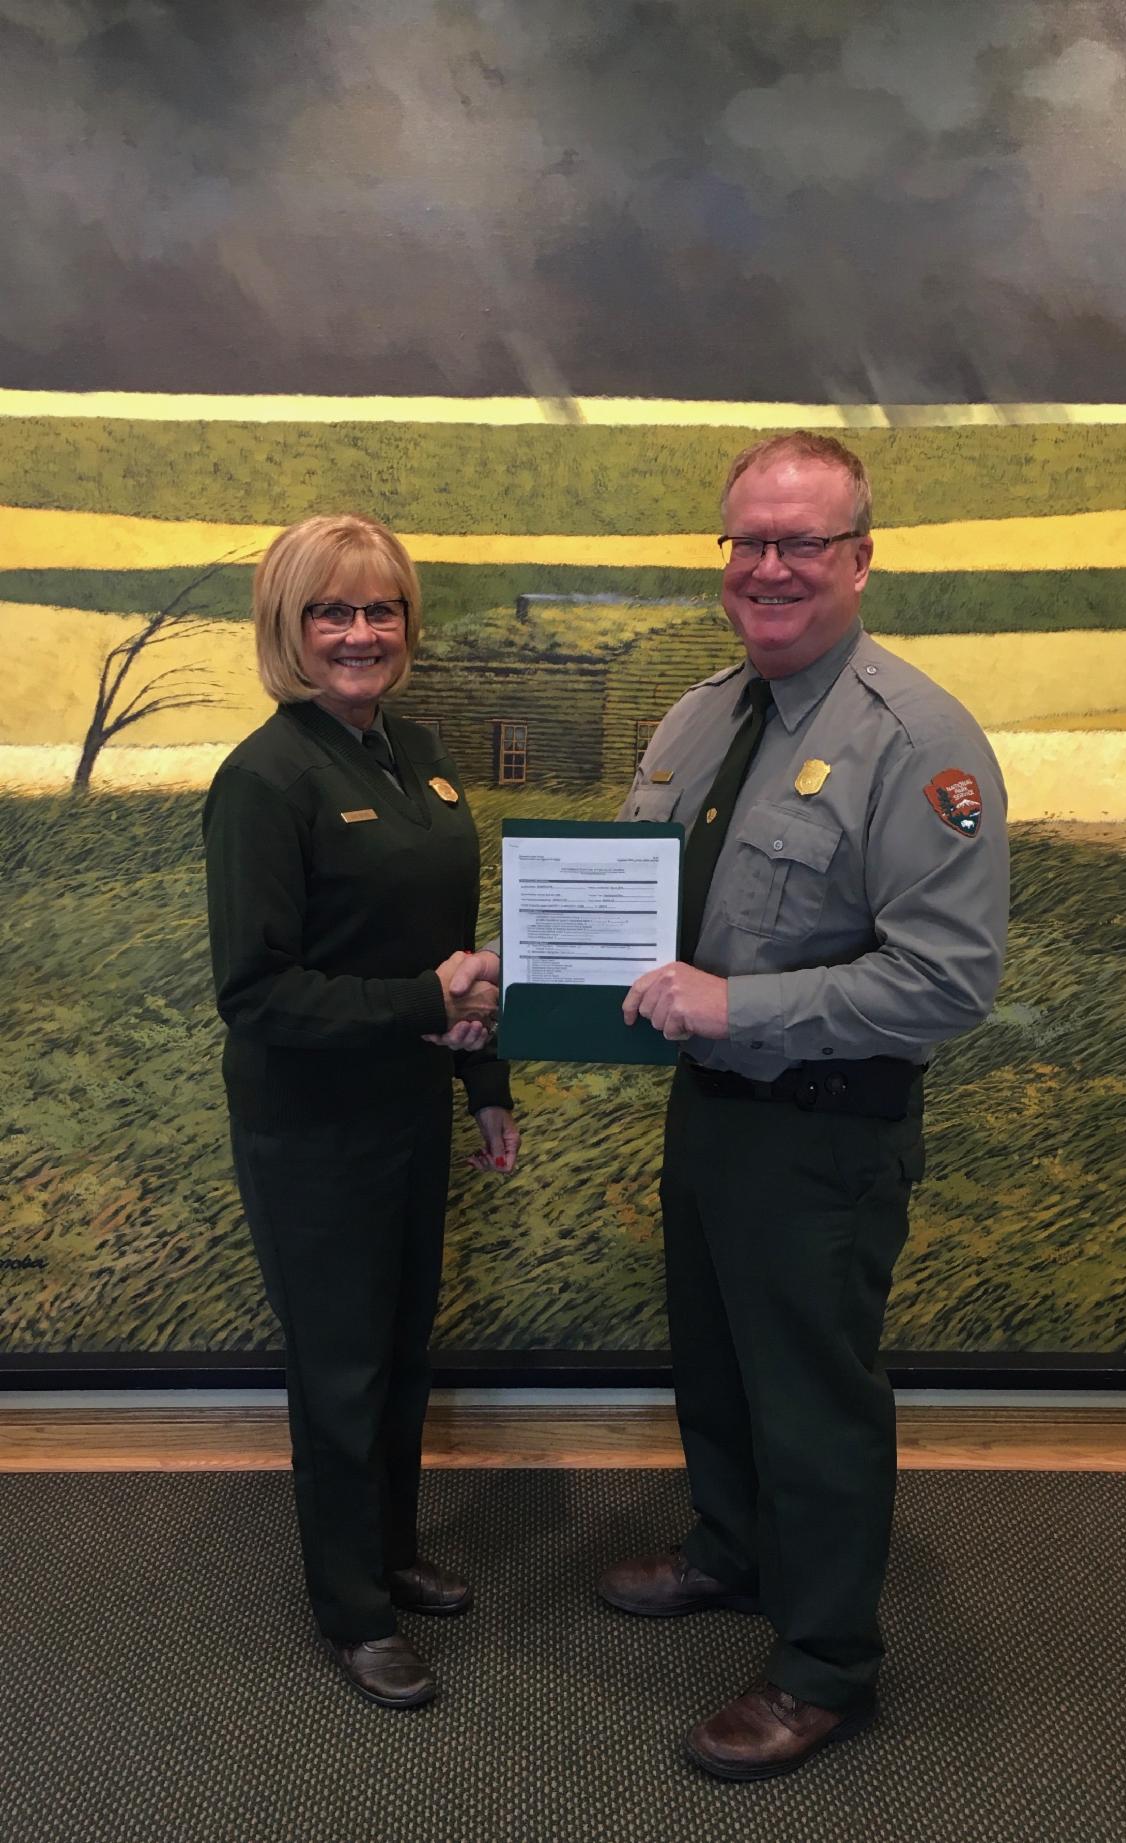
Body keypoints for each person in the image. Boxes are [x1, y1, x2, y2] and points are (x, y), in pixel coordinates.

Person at [600, 432, 1009, 1780]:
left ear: (859, 559)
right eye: (748, 541)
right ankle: (733, 1548)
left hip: (826, 1126)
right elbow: (631, 904)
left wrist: (743, 1006)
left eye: (802, 542)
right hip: (711, 1110)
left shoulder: (918, 741)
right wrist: (523, 968)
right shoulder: (700, 716)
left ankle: (826, 1665)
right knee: (718, 1359)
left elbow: (948, 981)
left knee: (815, 1398)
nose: (768, 567)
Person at [203, 513, 519, 1710]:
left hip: (408, 1104)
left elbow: (455, 951)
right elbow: (255, 992)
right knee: (340, 1370)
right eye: (329, 611)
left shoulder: (417, 754)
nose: (359, 632)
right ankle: (352, 1610)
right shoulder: (264, 779)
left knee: (399, 1352)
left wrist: (483, 1082)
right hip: (312, 1124)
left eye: (380, 609)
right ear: (286, 627)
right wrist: (422, 1002)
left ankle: (389, 1551)